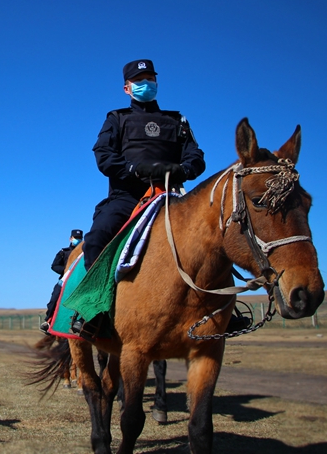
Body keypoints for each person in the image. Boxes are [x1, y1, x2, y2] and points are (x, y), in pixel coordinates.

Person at [74, 59, 250, 334]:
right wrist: (133, 169)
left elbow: (196, 155)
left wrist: (184, 168)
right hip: (127, 196)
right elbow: (103, 156)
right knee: (97, 237)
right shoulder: (116, 119)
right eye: (139, 80)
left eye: (150, 79)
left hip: (172, 195)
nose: (146, 84)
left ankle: (226, 307)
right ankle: (93, 310)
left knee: (213, 234)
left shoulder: (176, 120)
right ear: (127, 88)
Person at [40, 229, 83, 333]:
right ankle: (48, 321)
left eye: (79, 238)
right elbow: (54, 266)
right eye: (75, 238)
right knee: (54, 298)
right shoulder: (63, 252)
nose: (77, 240)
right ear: (70, 238)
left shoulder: (84, 254)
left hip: (81, 281)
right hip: (65, 279)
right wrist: (65, 271)